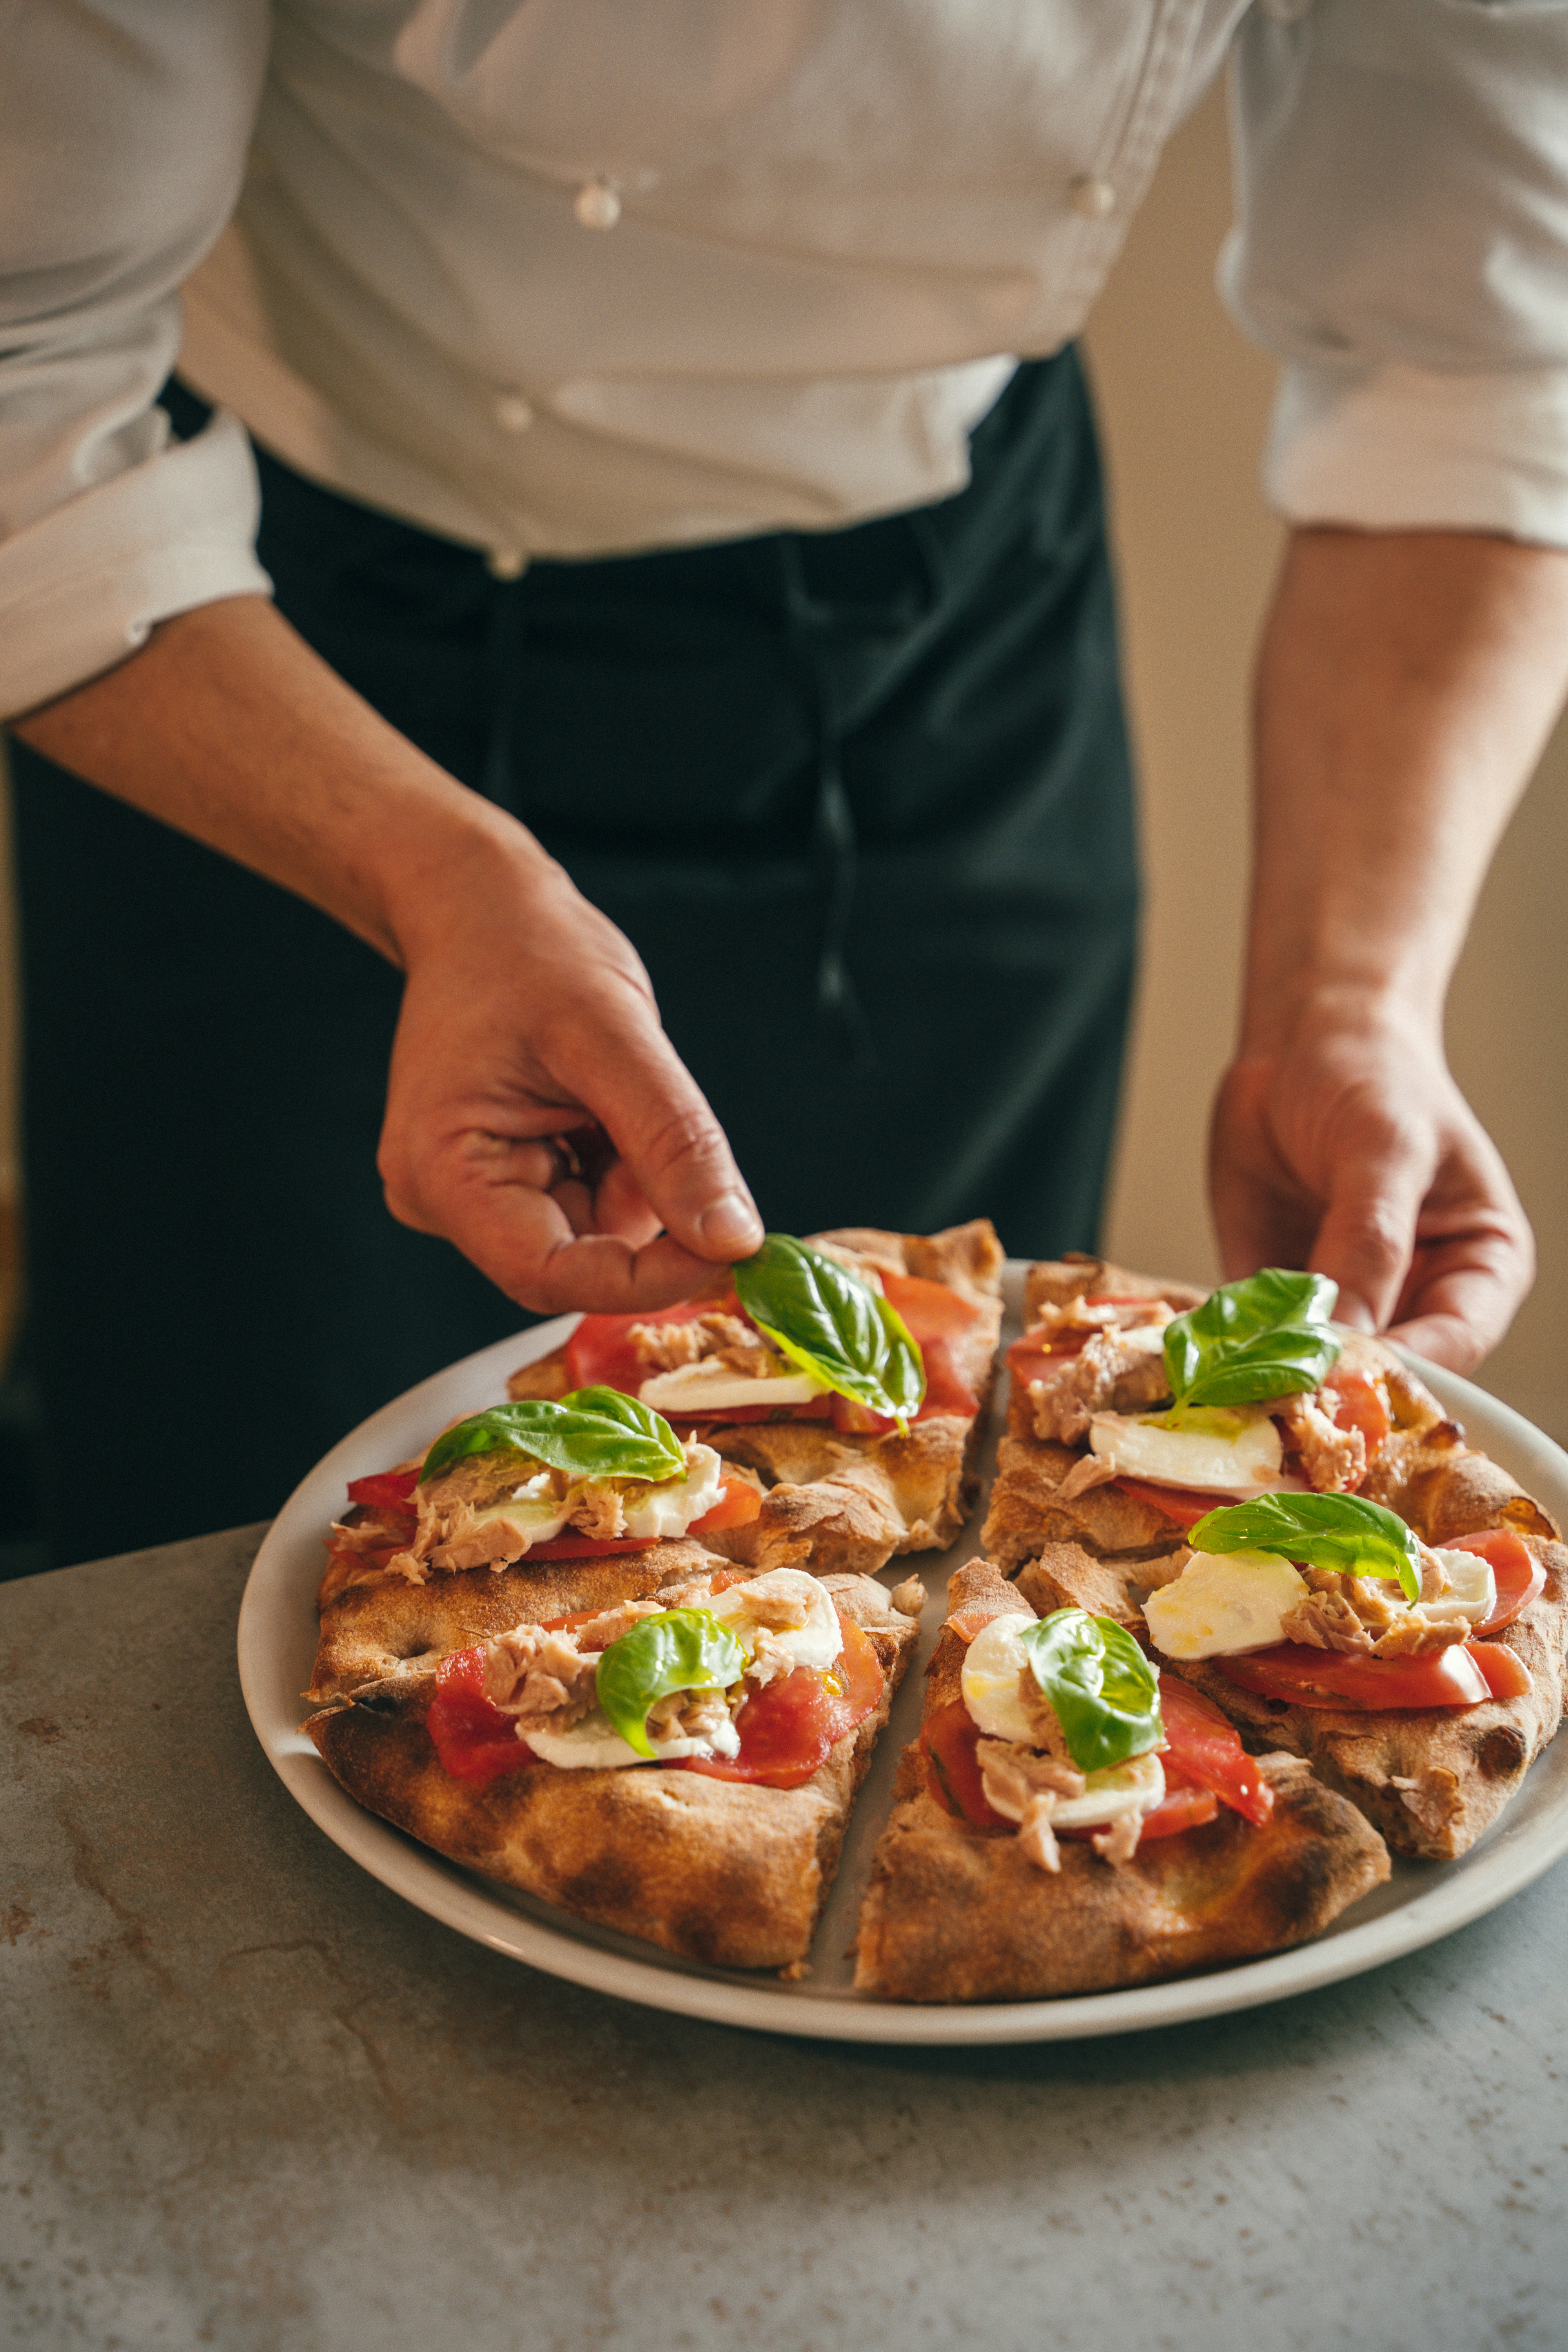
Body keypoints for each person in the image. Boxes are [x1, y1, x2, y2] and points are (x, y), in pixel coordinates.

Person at [3, 1, 1565, 1563]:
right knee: (213, 1515)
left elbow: (1478, 354)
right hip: (282, 651)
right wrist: (435, 877)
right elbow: (24, 372)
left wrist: (1348, 998)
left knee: (1023, 1541)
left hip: (953, 640)